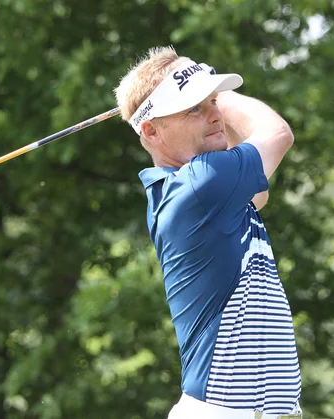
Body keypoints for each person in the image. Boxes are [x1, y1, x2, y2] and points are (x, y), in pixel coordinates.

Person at [114, 46, 302, 419]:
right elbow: (277, 133)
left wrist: (203, 91)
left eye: (213, 102)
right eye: (195, 108)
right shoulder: (201, 185)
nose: (215, 114)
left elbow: (259, 194)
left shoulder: (197, 187)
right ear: (151, 130)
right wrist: (222, 93)